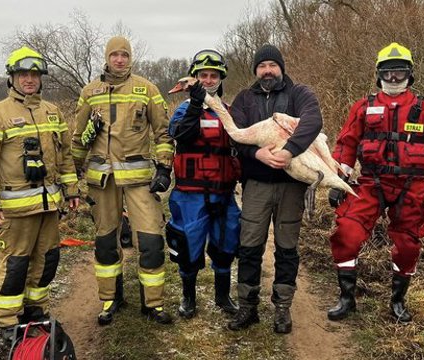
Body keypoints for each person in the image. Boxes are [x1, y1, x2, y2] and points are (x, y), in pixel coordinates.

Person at [327, 42, 424, 323]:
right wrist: (339, 181)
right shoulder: (364, 107)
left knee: (409, 245)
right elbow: (346, 145)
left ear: (410, 74)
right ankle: (346, 298)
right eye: (388, 73)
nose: (394, 78)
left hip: (410, 188)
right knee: (346, 233)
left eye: (400, 72)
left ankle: (398, 300)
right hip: (370, 184)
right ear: (379, 75)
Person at [0, 46, 81, 344]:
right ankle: (9, 321)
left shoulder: (52, 112)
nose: (29, 80)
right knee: (15, 264)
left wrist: (71, 190)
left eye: (34, 74)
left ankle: (36, 311)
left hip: (48, 206)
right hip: (14, 210)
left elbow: (65, 156)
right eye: (23, 74)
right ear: (12, 78)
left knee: (47, 260)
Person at [71, 36, 175, 325]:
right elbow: (79, 139)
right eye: (114, 54)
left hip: (139, 181)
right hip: (101, 183)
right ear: (107, 57)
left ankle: (152, 304)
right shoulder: (90, 92)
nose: (119, 59)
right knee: (105, 243)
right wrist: (70, 179)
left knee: (152, 241)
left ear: (131, 58)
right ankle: (110, 299)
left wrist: (164, 168)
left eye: (124, 55)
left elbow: (164, 133)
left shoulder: (147, 89)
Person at [227, 44, 323, 334]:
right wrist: (256, 155)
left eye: (272, 65)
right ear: (255, 71)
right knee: (249, 246)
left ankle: (282, 308)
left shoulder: (299, 94)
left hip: (291, 186)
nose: (267, 71)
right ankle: (247, 307)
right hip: (256, 185)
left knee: (287, 247)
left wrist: (290, 151)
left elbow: (313, 121)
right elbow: (236, 137)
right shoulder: (244, 99)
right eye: (262, 66)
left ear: (281, 67)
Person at [166, 49, 241, 319]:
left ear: (221, 78)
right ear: (195, 77)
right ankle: (189, 297)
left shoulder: (230, 112)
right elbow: (181, 136)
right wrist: (197, 105)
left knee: (225, 244)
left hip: (222, 193)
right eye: (203, 75)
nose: (208, 80)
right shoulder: (184, 110)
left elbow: (242, 146)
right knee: (188, 245)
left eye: (213, 76)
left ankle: (222, 296)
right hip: (190, 193)